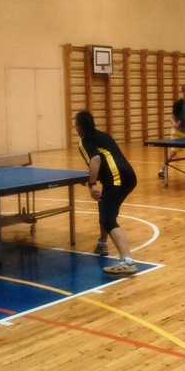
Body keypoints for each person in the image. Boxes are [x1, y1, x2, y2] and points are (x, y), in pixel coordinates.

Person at [76, 110, 139, 275]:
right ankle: (103, 243)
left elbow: (95, 159)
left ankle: (127, 260)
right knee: (104, 205)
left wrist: (92, 184)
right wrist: (90, 177)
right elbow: (104, 160)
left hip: (116, 180)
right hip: (129, 176)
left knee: (108, 219)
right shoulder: (104, 136)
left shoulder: (85, 141)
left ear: (79, 127)